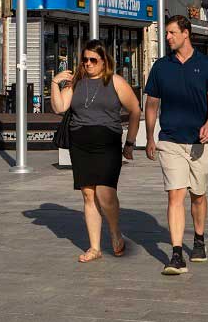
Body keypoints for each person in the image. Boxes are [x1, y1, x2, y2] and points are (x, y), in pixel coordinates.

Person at [144, 15, 208, 276]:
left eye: (171, 33)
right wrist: (150, 137)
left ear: (186, 33)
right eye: (166, 33)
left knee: (197, 195)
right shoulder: (160, 67)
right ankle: (176, 254)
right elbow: (152, 104)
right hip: (170, 140)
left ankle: (198, 240)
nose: (167, 37)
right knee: (175, 194)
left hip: (201, 141)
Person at [50, 40, 141, 263]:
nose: (88, 64)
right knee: (88, 194)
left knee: (105, 194)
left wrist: (130, 142)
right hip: (80, 143)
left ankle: (114, 232)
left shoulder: (115, 82)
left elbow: (135, 110)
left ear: (104, 61)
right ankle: (95, 247)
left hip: (107, 142)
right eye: (85, 59)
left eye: (93, 60)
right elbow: (60, 107)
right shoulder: (77, 82)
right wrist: (54, 83)